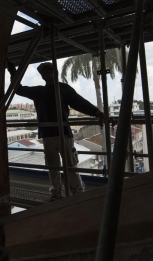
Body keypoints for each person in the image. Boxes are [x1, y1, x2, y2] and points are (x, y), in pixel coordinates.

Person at [6, 60, 104, 200]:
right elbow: (19, 89)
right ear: (41, 75)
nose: (46, 73)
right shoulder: (40, 91)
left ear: (54, 72)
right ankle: (57, 193)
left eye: (48, 70)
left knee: (70, 165)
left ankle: (76, 191)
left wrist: (96, 112)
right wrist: (12, 71)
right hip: (49, 135)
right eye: (43, 71)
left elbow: (79, 102)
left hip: (63, 134)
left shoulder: (63, 89)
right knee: (53, 167)